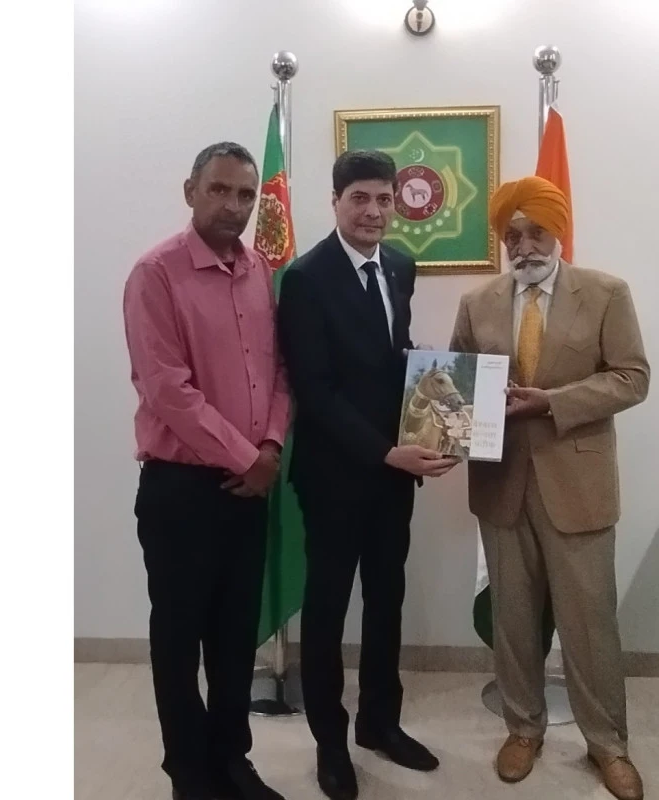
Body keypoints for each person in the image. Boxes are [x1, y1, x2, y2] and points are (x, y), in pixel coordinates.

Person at [448, 175, 651, 800]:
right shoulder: (477, 302)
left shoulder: (606, 293)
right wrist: (438, 426)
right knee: (513, 619)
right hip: (501, 484)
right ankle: (523, 728)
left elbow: (632, 378)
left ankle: (608, 744)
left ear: (558, 231)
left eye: (536, 232)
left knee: (590, 622)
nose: (524, 246)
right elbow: (456, 385)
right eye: (512, 236)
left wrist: (552, 402)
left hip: (578, 484)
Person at [276, 149, 458, 800]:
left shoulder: (401, 266)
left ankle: (380, 723)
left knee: (387, 599)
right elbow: (316, 391)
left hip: (393, 475)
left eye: (384, 199)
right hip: (334, 476)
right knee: (328, 610)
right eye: (360, 198)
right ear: (335, 201)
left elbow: (389, 360)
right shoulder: (305, 278)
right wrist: (386, 452)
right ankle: (330, 742)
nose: (374, 211)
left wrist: (440, 398)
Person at [122, 141, 290, 800]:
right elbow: (168, 390)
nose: (233, 205)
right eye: (219, 190)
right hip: (182, 490)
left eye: (245, 194)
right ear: (190, 191)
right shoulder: (155, 274)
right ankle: (188, 774)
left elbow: (278, 371)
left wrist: (269, 446)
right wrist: (249, 458)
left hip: (250, 486)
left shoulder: (258, 272)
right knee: (178, 639)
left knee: (234, 636)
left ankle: (231, 761)